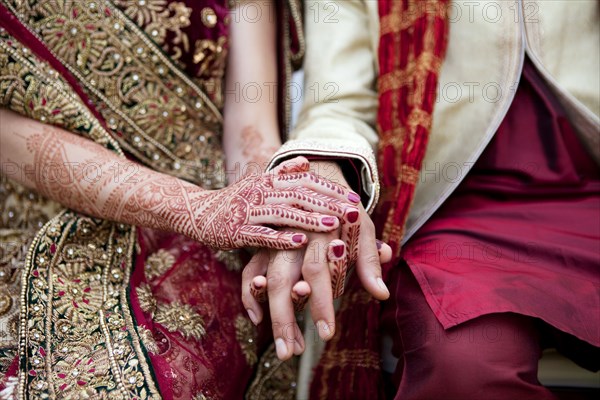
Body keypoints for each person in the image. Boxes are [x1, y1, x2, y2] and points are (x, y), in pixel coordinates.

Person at [0, 1, 366, 398]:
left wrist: (282, 209)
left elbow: (250, 124)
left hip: (207, 232)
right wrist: (193, 208)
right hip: (34, 216)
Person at [251, 1, 599, 399]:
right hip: (452, 216)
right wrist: (322, 187)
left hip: (589, 198)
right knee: (463, 369)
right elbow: (338, 105)